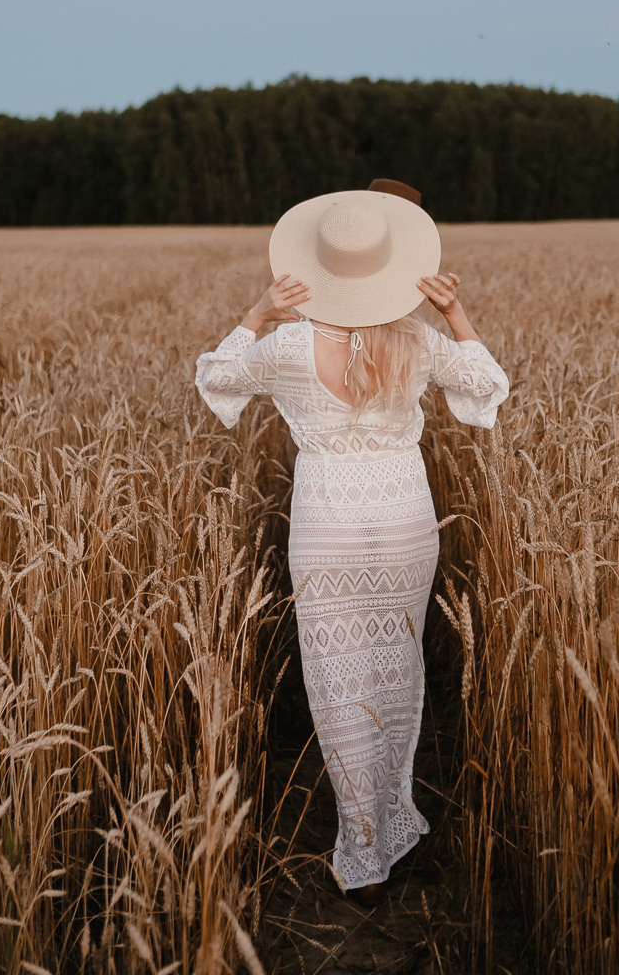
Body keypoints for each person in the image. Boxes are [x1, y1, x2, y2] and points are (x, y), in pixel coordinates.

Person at [194, 190, 509, 904]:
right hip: (403, 521)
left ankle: (362, 843)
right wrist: (453, 313)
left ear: (319, 266)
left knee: (339, 683)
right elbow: (487, 387)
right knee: (397, 670)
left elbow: (217, 378)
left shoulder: (286, 346)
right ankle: (392, 822)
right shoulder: (416, 339)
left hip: (327, 524)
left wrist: (256, 314)